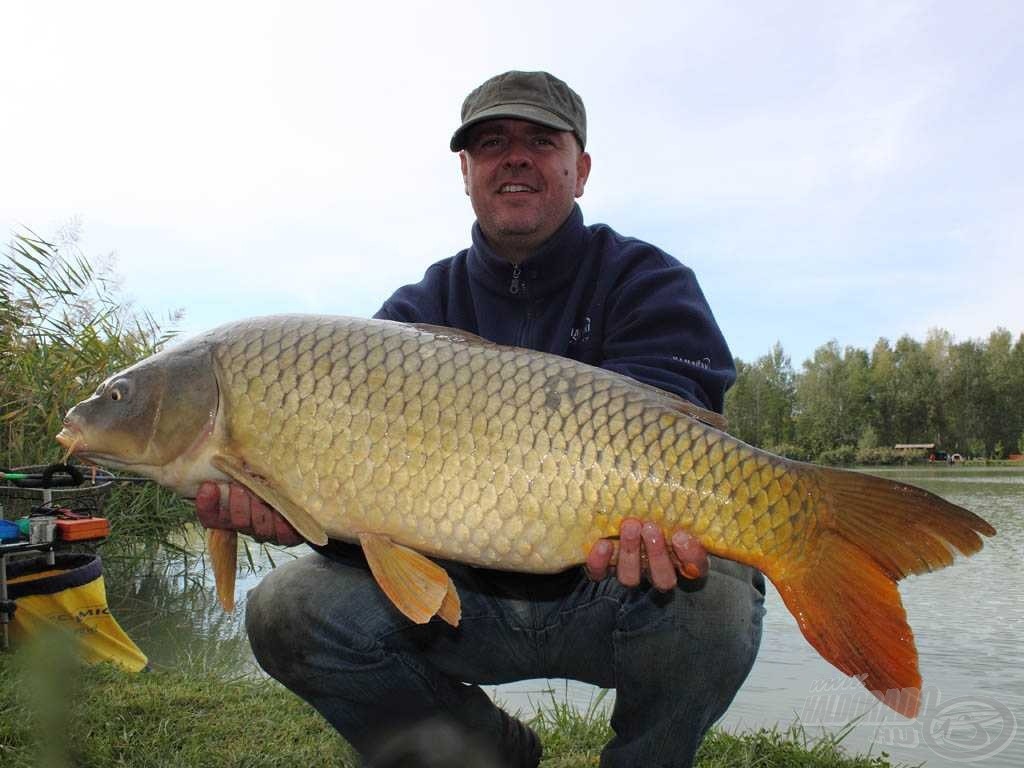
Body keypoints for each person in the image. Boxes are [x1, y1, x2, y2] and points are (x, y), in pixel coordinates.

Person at [196, 71, 765, 768]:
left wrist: (652, 526)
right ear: (465, 172)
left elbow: (683, 428)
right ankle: (483, 755)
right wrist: (297, 514)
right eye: (492, 142)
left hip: (611, 591)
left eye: (540, 140)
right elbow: (366, 529)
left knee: (722, 596)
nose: (515, 156)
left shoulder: (647, 281)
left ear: (579, 169)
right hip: (461, 605)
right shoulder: (408, 319)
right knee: (287, 606)